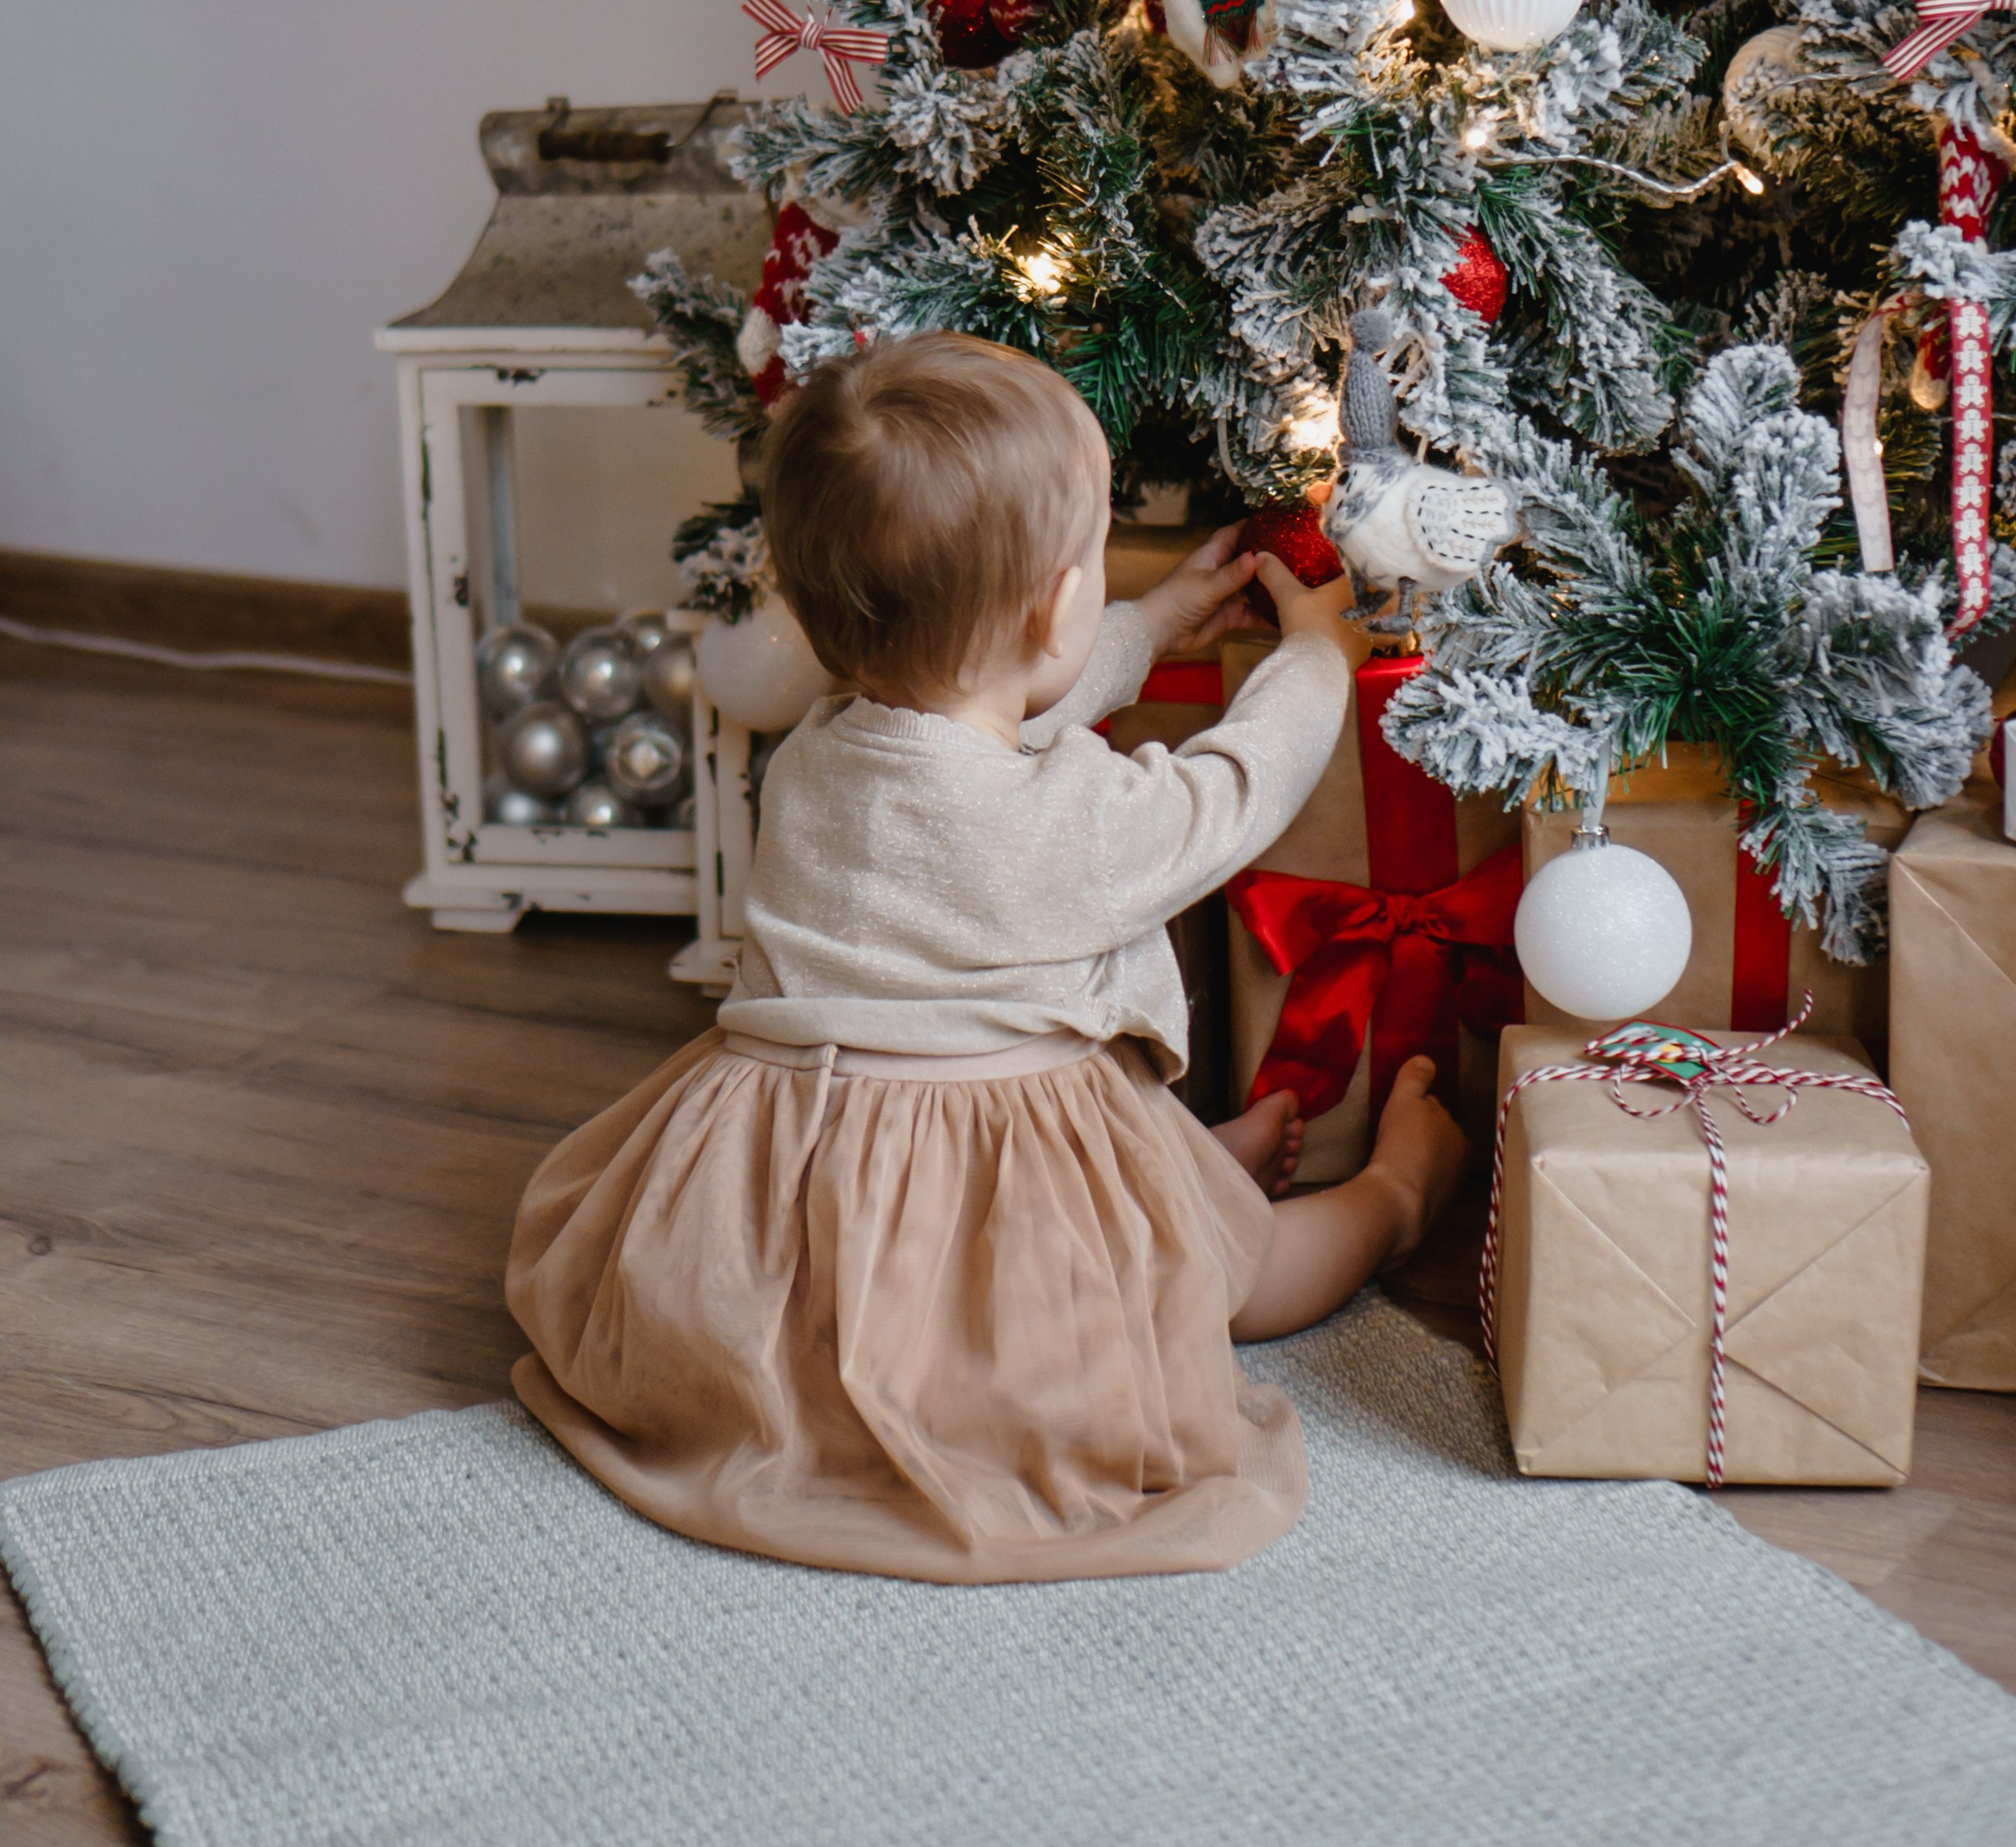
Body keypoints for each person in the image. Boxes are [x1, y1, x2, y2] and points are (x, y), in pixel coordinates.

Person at [507, 333, 1466, 1582]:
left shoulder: (819, 746)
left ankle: (1191, 1180)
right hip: (992, 1170)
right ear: (1053, 604)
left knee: (1137, 1181)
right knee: (1244, 1283)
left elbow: (999, 694)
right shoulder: (1064, 824)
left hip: (790, 1168)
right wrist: (1312, 660)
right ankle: (1396, 1194)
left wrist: (1152, 618)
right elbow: (1235, 786)